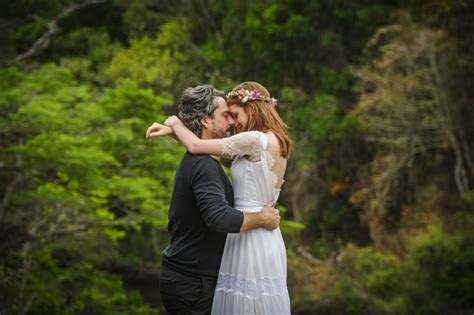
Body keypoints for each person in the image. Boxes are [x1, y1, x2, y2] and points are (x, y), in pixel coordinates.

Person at [148, 82, 292, 314]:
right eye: (228, 115)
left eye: (235, 115)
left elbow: (197, 146)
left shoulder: (254, 140)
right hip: (253, 231)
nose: (233, 122)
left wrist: (175, 124)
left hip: (249, 233)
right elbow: (203, 148)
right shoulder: (267, 141)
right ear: (206, 120)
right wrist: (177, 132)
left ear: (253, 109)